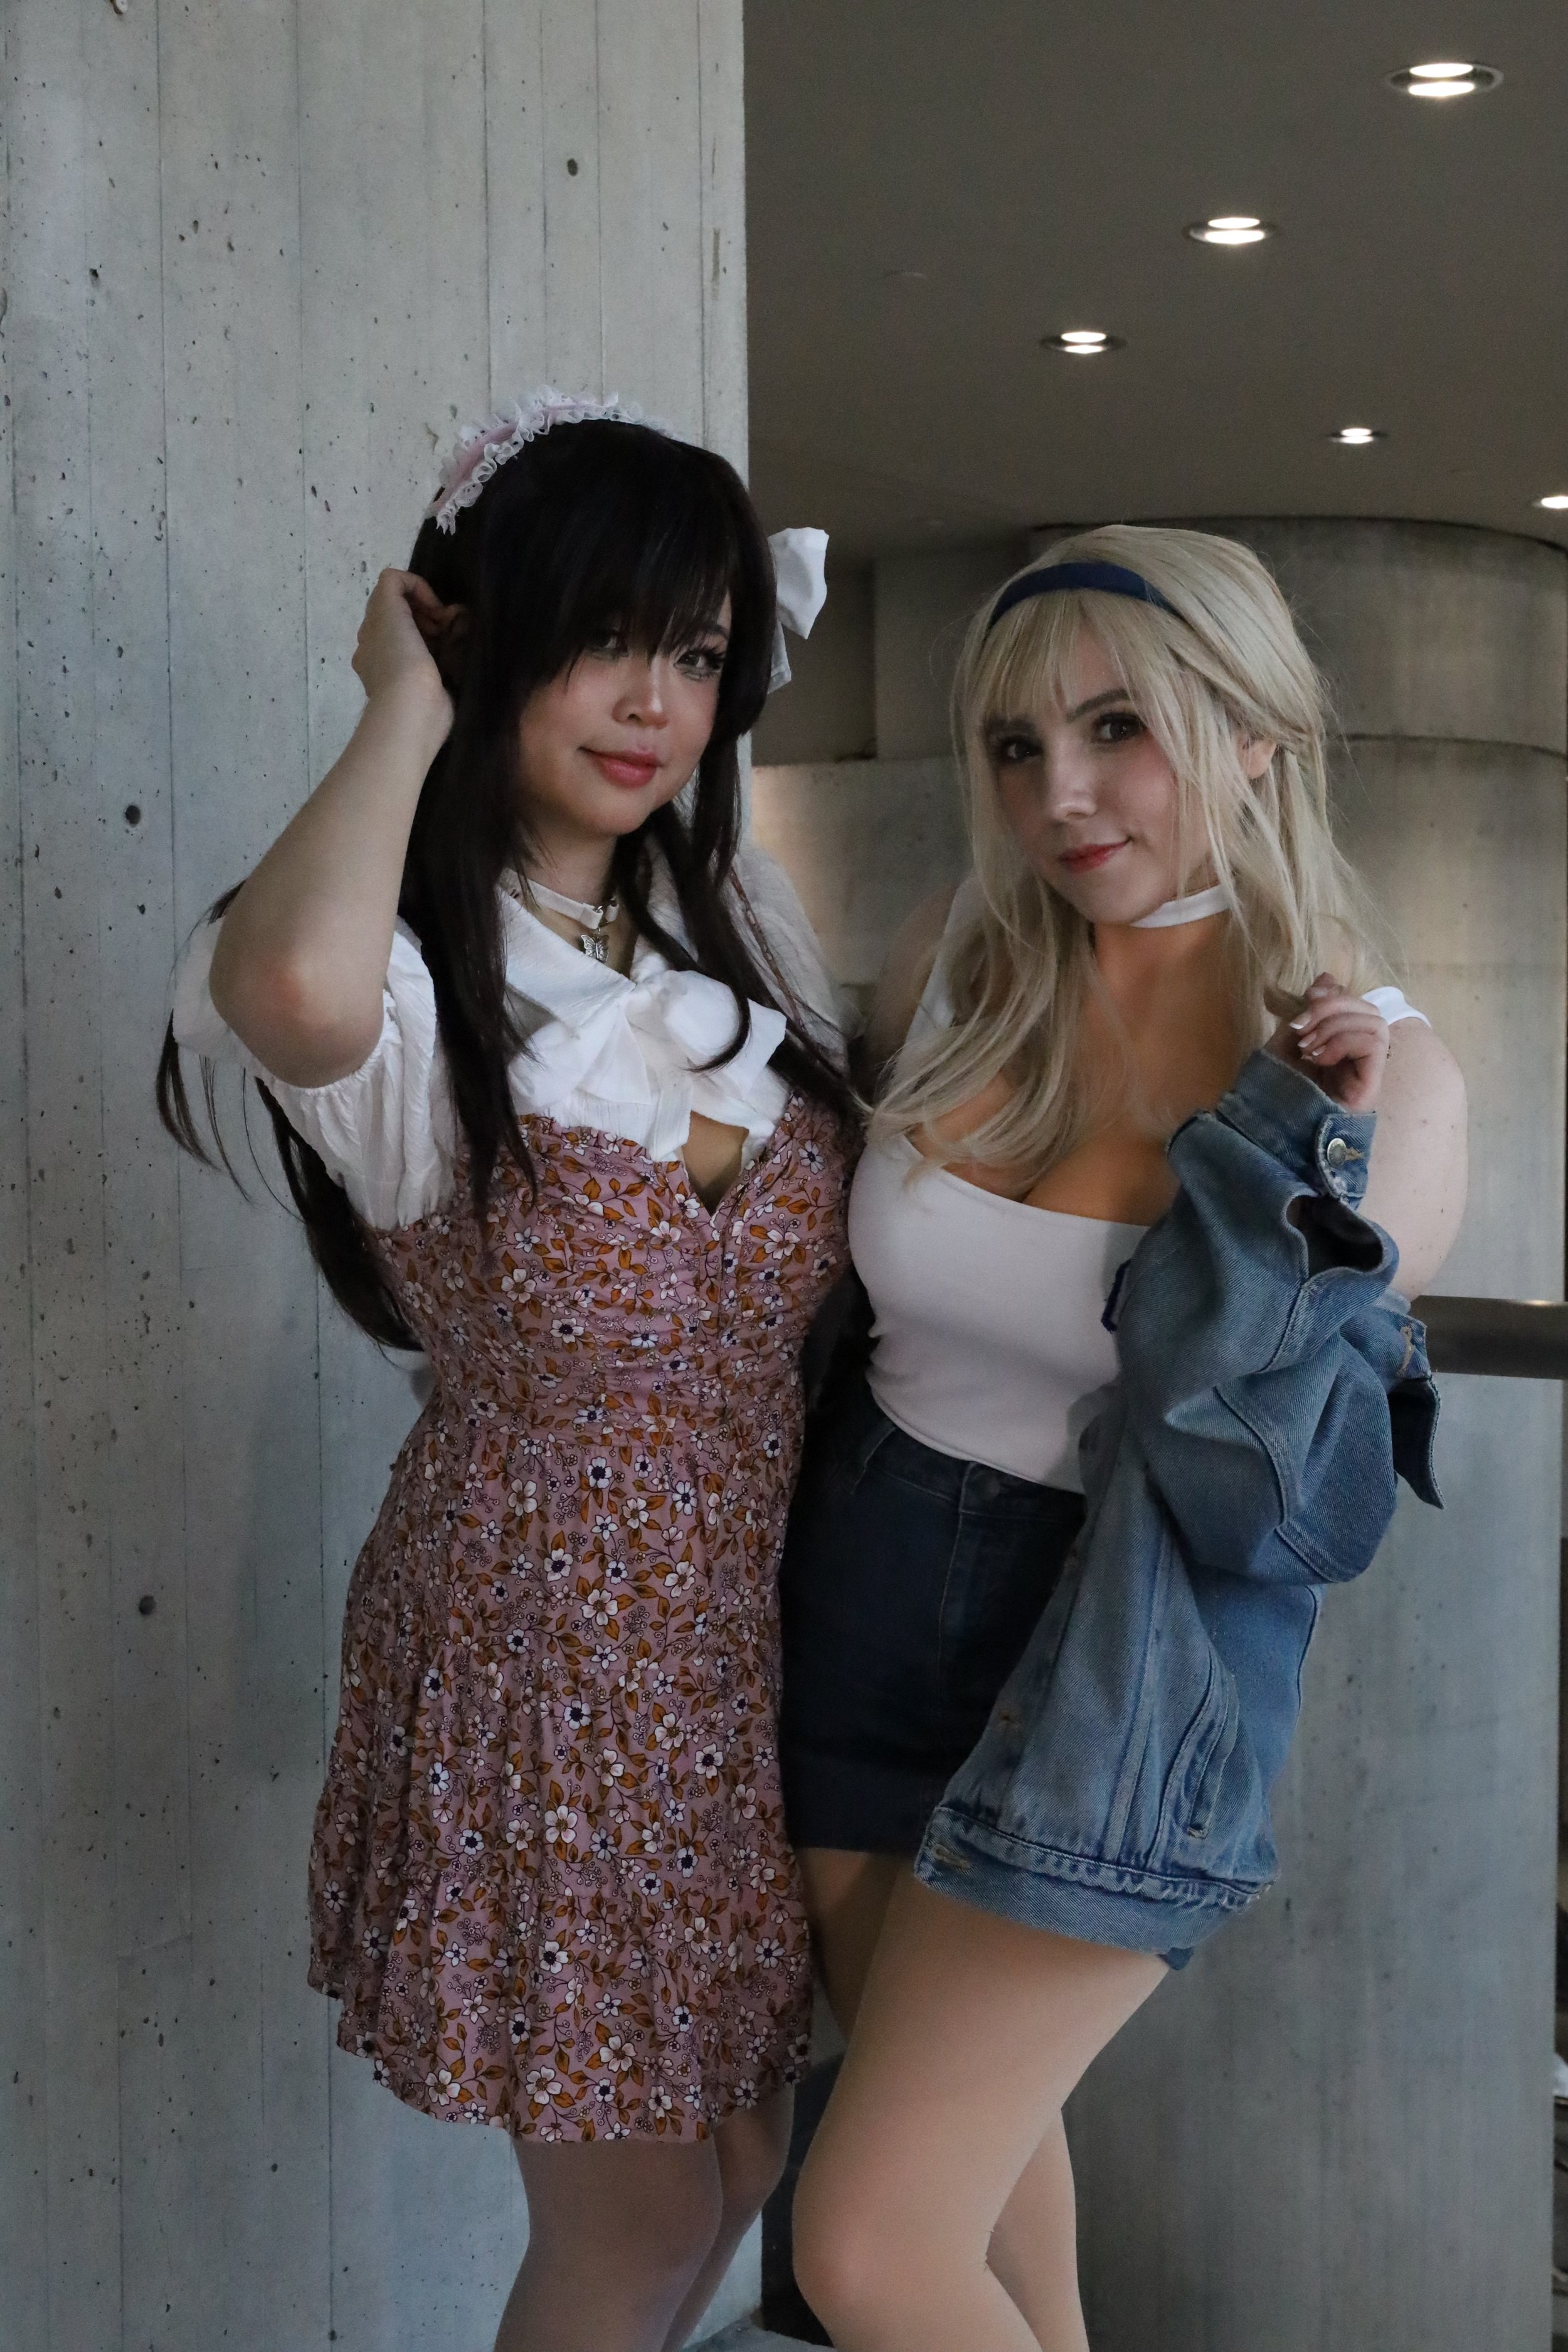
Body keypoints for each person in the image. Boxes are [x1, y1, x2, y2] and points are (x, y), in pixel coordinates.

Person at [157, 392, 856, 2352]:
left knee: (728, 2173)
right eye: (599, 637)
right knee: (638, 2210)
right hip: (552, 1643)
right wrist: (402, 697)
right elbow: (279, 996)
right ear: (483, 637)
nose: (653, 702)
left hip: (738, 1627)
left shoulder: (717, 922)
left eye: (700, 652)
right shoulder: (399, 968)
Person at [777, 526, 1467, 2351]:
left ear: (1253, 737)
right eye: (1014, 747)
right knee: (984, 2194)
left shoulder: (1374, 1072)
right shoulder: (958, 962)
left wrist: (1285, 1156)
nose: (1058, 795)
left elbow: (1275, 1472)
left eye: (1116, 730)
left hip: (1116, 1665)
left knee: (858, 2245)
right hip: (851, 1604)